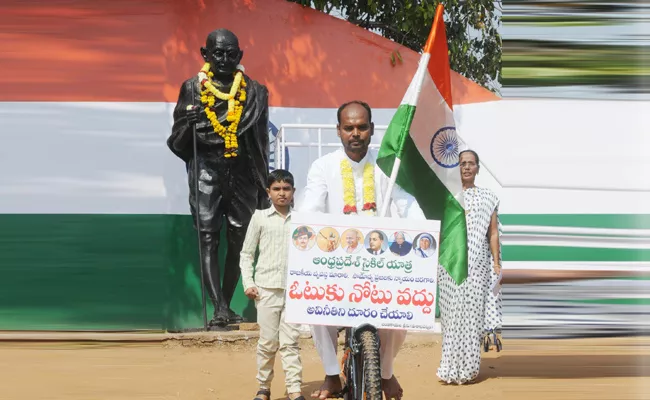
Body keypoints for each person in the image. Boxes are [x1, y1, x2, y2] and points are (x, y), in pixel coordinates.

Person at [300, 100, 425, 400]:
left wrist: (423, 232)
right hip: (335, 263)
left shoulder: (387, 166)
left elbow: (406, 204)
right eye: (349, 128)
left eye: (362, 127)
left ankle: (385, 372)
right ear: (339, 131)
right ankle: (331, 374)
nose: (355, 133)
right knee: (314, 309)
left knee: (399, 316)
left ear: (371, 129)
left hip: (379, 265)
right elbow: (312, 206)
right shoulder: (323, 166)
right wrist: (304, 228)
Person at [167, 28, 270, 328]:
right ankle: (219, 307)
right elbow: (177, 142)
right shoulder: (192, 89)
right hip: (206, 169)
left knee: (240, 239)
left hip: (242, 172)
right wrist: (189, 123)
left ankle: (224, 304)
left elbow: (261, 141)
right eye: (217, 53)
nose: (224, 59)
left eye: (230, 53)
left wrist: (263, 182)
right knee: (208, 236)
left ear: (240, 56)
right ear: (205, 55)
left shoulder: (255, 92)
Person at [437, 150, 503, 384]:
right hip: (450, 265)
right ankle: (448, 368)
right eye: (462, 163)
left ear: (477, 168)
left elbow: (492, 232)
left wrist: (496, 262)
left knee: (473, 317)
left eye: (470, 164)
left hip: (478, 265)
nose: (466, 167)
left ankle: (469, 369)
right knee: (451, 317)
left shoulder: (488, 197)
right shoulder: (447, 196)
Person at [239, 169, 305, 400]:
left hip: (294, 291)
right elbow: (247, 254)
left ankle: (295, 390)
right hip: (266, 289)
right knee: (268, 342)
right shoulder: (259, 218)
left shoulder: (302, 221)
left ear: (293, 192)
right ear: (268, 192)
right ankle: (264, 387)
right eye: (276, 189)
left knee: (290, 343)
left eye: (286, 189)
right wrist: (249, 283)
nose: (282, 193)